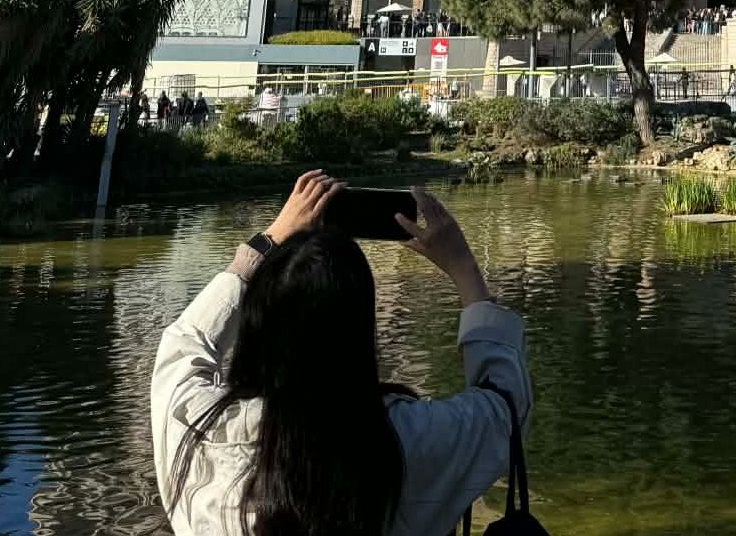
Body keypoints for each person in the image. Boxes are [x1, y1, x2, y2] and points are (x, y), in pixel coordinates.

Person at [152, 171, 530, 536]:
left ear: (257, 327)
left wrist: (267, 243)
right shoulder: (413, 442)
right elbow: (506, 404)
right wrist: (463, 268)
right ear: (361, 333)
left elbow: (184, 342)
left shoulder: (200, 428)